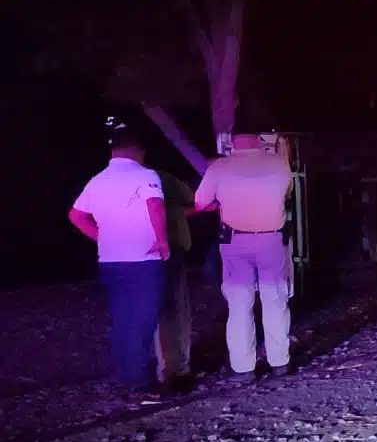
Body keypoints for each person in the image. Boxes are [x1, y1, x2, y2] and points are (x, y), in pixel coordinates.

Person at [68, 127, 169, 402]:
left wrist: (103, 238)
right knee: (144, 319)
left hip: (110, 260)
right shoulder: (146, 175)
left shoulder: (97, 180)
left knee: (123, 318)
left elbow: (76, 216)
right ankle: (140, 383)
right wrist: (162, 240)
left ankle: (124, 374)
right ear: (137, 150)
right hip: (143, 260)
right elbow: (155, 206)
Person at [194, 133, 294, 379]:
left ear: (233, 139)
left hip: (235, 240)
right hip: (271, 238)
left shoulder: (220, 167)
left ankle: (243, 368)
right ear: (257, 138)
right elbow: (287, 193)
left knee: (239, 305)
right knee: (275, 300)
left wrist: (222, 205)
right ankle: (280, 362)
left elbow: (199, 203)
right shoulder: (279, 164)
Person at [154, 169, 195, 385]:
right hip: (169, 249)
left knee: (145, 311)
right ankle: (176, 367)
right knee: (175, 309)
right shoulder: (163, 178)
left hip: (130, 254)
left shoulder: (106, 180)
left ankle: (147, 368)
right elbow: (192, 200)